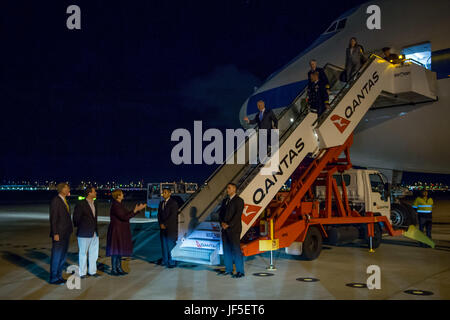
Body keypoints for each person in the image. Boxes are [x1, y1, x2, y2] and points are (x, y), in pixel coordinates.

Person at [106, 189, 146, 276]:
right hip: (116, 231)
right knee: (116, 250)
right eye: (121, 193)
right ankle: (114, 269)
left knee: (119, 249)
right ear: (118, 196)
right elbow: (124, 217)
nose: (123, 194)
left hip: (120, 230)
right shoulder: (116, 206)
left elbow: (127, 215)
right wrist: (135, 211)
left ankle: (119, 268)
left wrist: (136, 210)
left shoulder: (119, 205)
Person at [218, 183, 245, 278]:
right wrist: (222, 223)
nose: (227, 190)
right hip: (224, 229)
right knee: (226, 250)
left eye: (229, 188)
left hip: (234, 229)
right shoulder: (225, 201)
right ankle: (228, 269)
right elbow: (220, 213)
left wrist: (228, 224)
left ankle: (240, 271)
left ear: (234, 189)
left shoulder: (239, 201)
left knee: (236, 250)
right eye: (227, 188)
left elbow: (238, 215)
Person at [73, 186, 100, 278]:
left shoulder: (95, 203)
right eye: (94, 191)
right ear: (89, 193)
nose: (96, 192)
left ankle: (92, 271)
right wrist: (82, 227)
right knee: (83, 253)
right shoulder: (81, 204)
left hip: (94, 232)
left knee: (94, 253)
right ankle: (82, 273)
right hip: (84, 232)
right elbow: (76, 218)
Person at [49, 182, 73, 285]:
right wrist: (55, 233)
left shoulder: (64, 200)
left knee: (63, 256)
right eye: (67, 188)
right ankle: (54, 278)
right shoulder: (56, 201)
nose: (69, 190)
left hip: (66, 233)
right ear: (62, 189)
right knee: (57, 256)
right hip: (59, 233)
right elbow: (53, 218)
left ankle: (59, 276)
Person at [157, 188, 179, 268]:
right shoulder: (161, 203)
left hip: (170, 228)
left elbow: (172, 216)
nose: (163, 194)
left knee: (171, 245)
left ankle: (172, 261)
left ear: (169, 193)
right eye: (163, 192)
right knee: (164, 245)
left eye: (165, 192)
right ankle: (165, 260)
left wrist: (165, 224)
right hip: (162, 228)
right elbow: (158, 215)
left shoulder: (173, 203)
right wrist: (160, 224)